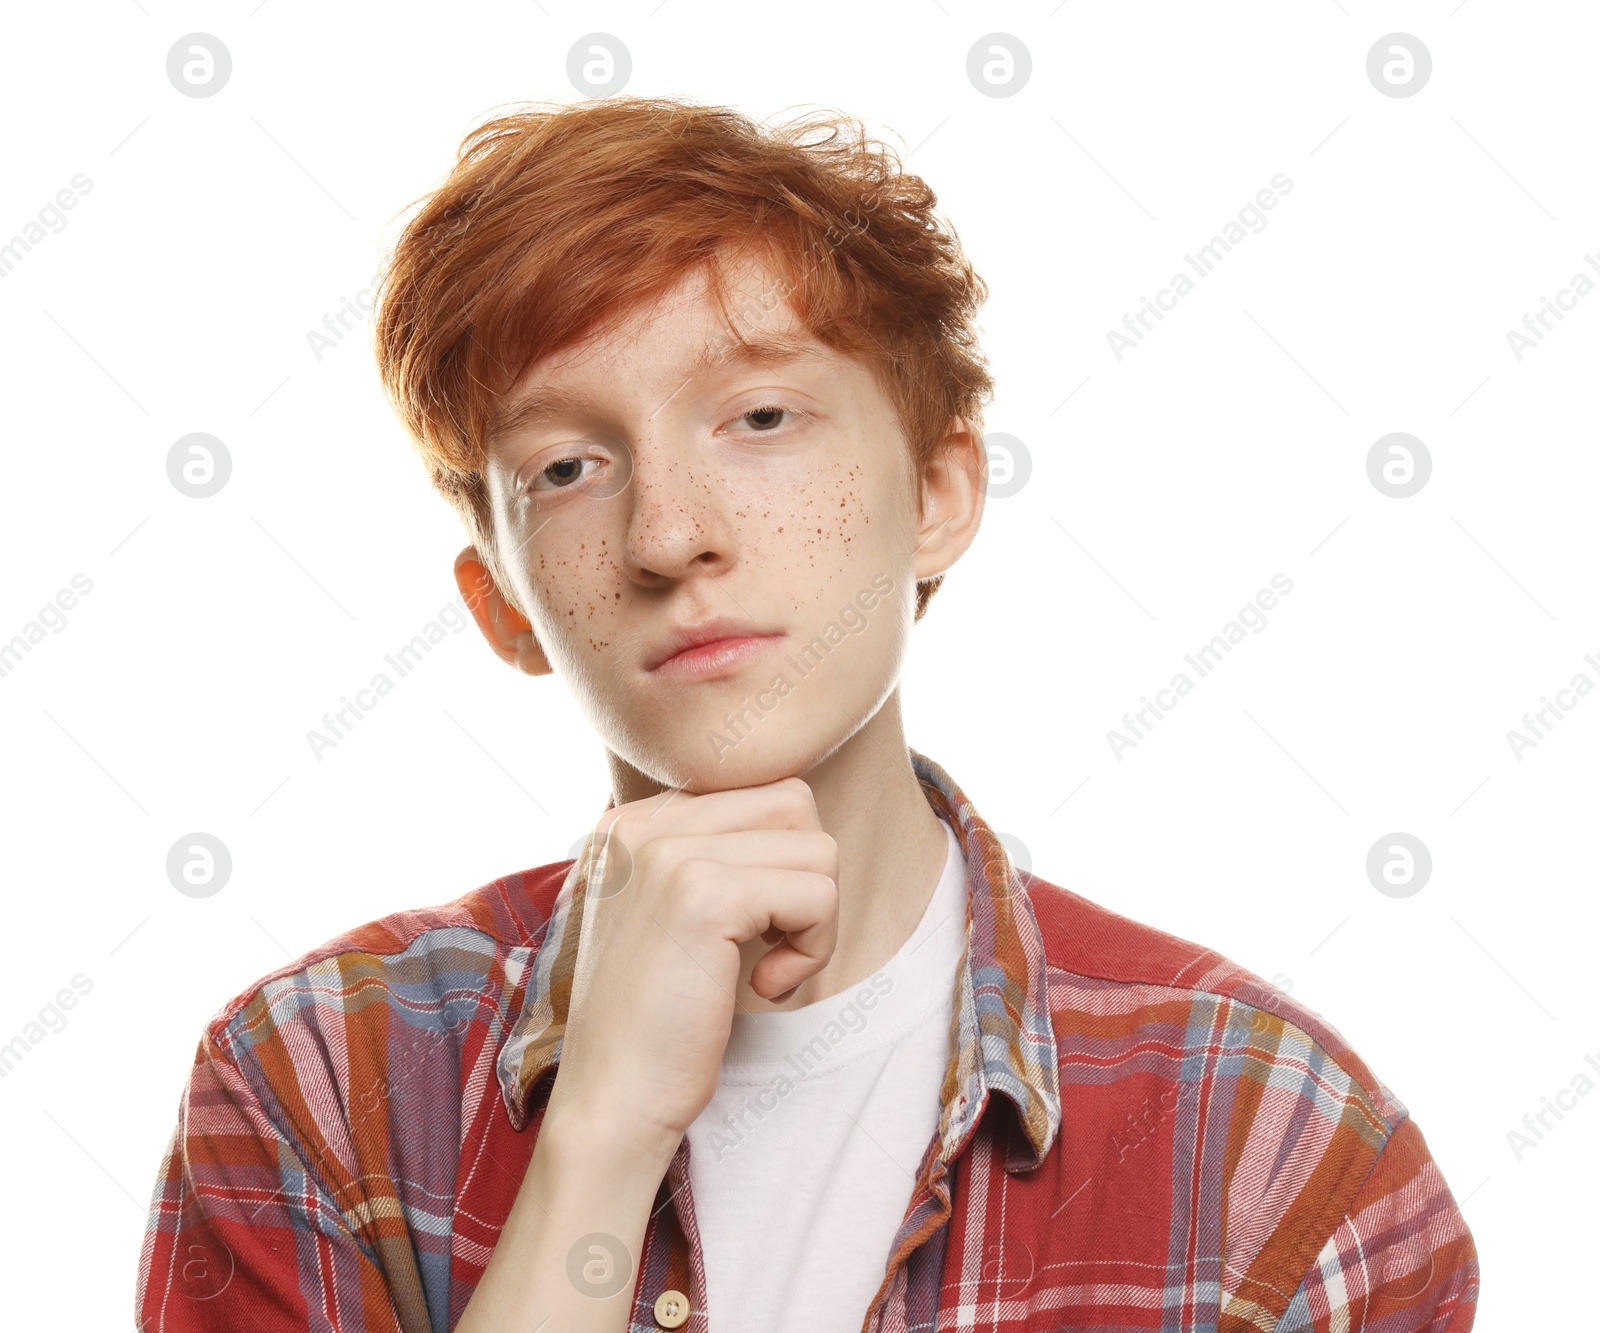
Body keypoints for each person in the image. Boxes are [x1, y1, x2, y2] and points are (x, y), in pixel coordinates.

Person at [135, 95, 1479, 1332]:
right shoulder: (312, 1084)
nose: (669, 532)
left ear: (940, 492)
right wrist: (600, 1130)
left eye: (762, 415)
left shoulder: (1270, 1140)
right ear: (499, 601)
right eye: (567, 466)